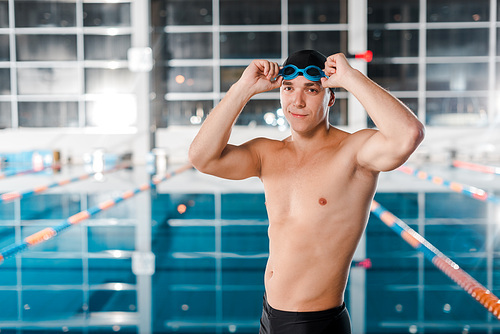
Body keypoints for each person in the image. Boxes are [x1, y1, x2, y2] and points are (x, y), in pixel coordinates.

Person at [188, 50, 425, 334]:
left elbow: (408, 135)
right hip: (269, 314)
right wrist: (243, 89)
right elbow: (202, 158)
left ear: (330, 96)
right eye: (289, 89)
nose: (297, 101)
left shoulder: (354, 153)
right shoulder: (268, 152)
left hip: (314, 323)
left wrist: (351, 78)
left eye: (311, 90)